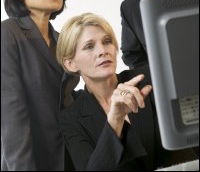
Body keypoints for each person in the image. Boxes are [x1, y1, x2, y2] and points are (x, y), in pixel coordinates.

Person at [56, 12, 197, 171]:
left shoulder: (150, 77)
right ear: (70, 64)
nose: (103, 51)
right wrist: (115, 120)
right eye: (89, 46)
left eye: (107, 41)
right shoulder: (71, 119)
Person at [1, 0, 79, 171]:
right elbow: (11, 117)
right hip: (30, 161)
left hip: (69, 159)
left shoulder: (63, 40)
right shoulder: (7, 33)